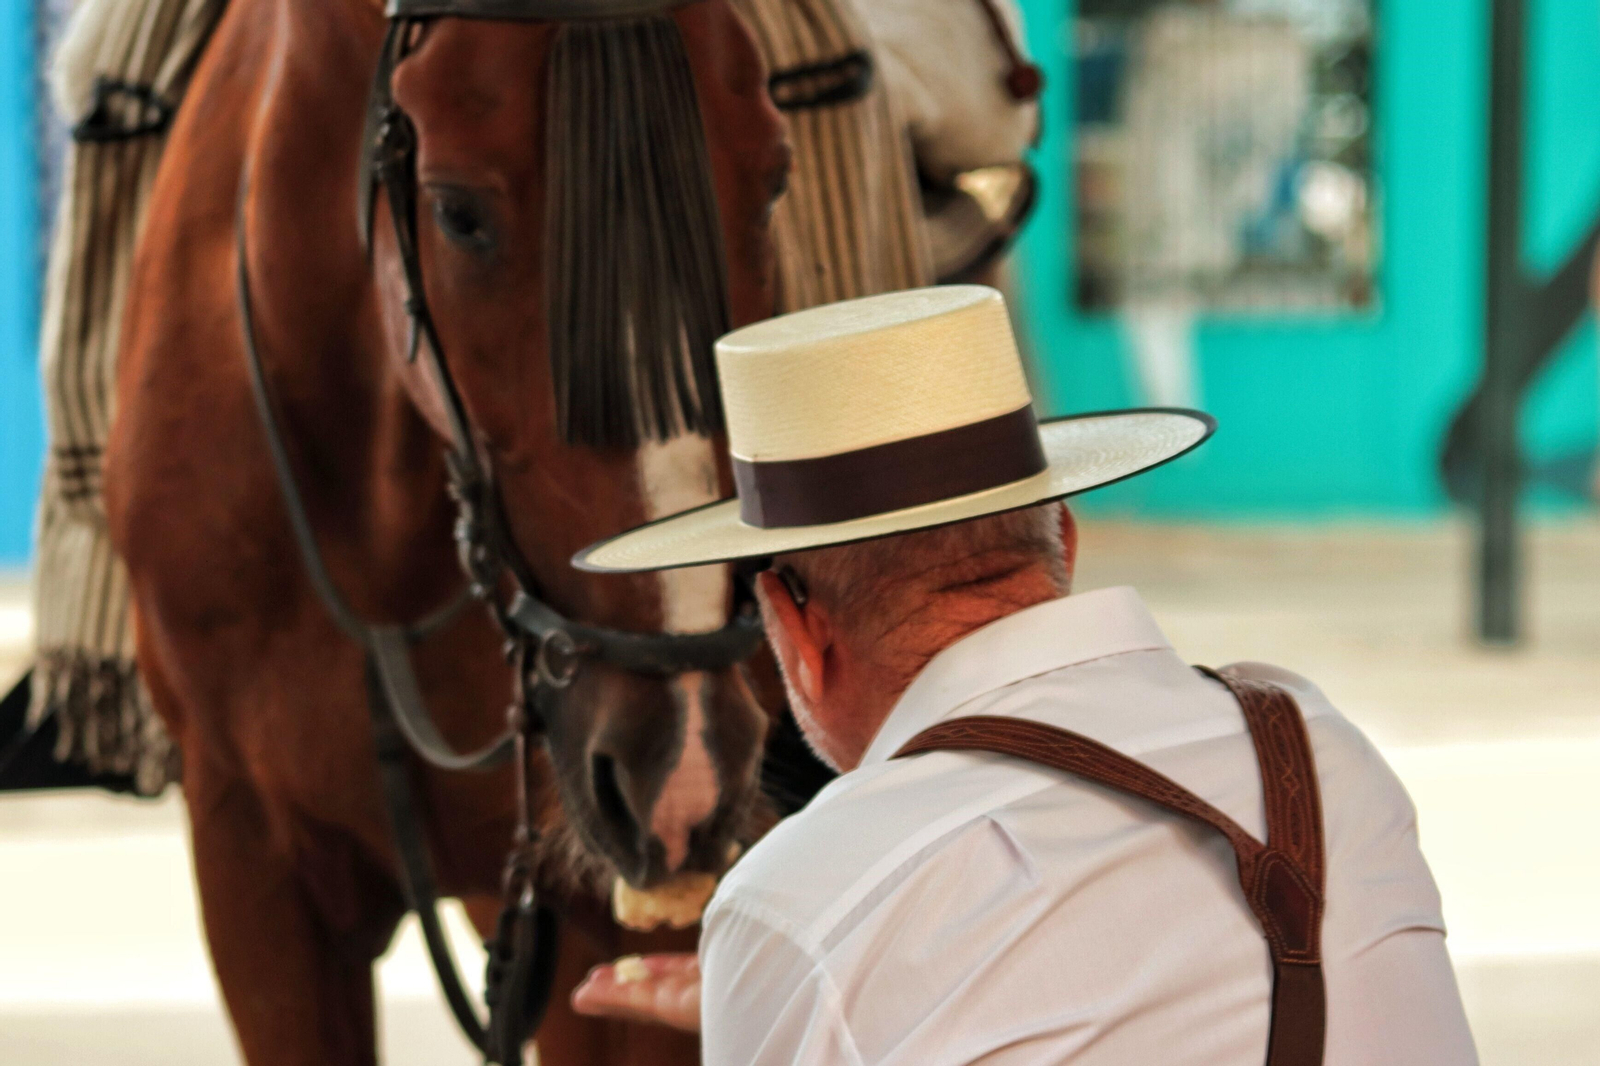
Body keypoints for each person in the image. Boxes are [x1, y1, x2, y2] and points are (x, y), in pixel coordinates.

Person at [568, 286, 1479, 1065]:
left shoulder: (804, 905)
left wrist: (791, 976)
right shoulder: (1315, 750)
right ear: (1065, 544)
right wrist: (798, 984)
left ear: (795, 623)